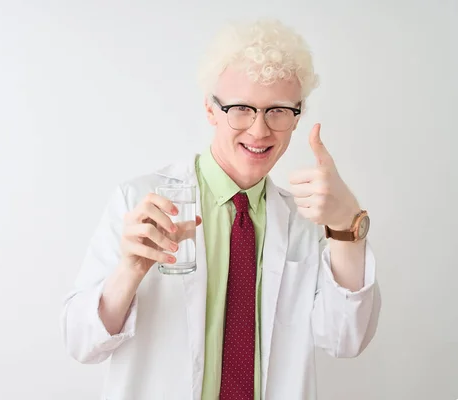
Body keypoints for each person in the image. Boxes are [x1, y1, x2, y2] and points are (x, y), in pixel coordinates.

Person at [61, 18, 381, 400]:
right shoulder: (141, 201)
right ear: (211, 110)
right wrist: (128, 272)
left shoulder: (305, 221)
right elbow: (81, 343)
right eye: (241, 108)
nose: (260, 130)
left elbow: (345, 339)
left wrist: (347, 225)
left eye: (278, 110)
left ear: (297, 116)